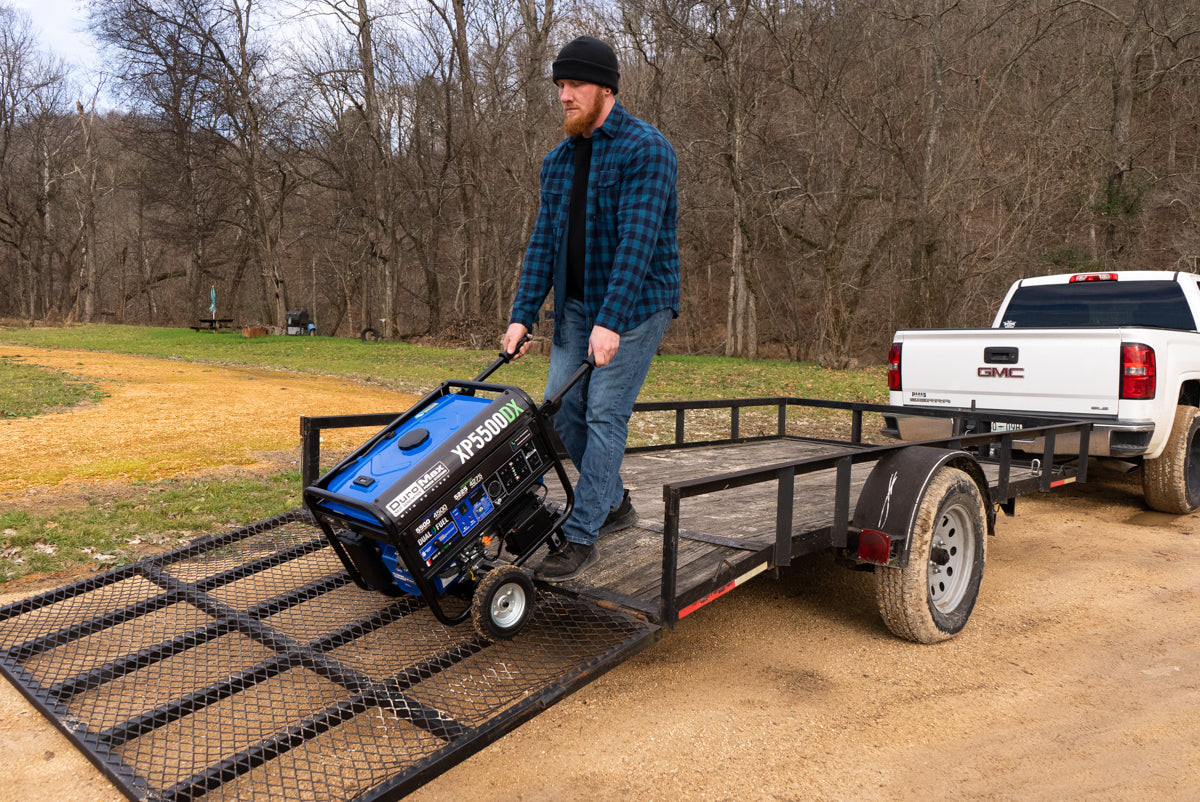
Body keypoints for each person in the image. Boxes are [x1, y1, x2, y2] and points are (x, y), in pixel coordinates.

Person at [502, 35, 680, 581]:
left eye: (574, 84)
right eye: (559, 85)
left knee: (605, 410)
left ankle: (581, 534)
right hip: (577, 305)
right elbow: (543, 243)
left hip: (637, 303)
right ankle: (615, 503)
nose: (564, 95)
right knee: (563, 408)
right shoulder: (556, 163)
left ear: (606, 88)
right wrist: (522, 314)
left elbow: (638, 242)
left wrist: (612, 322)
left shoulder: (646, 150)